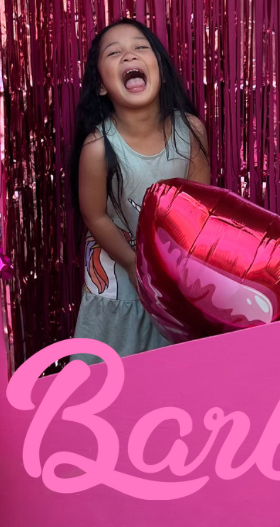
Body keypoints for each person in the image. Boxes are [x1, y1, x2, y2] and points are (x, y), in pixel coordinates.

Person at [70, 18, 210, 356]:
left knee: (173, 365)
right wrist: (134, 264)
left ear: (159, 69)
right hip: (119, 276)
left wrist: (177, 268)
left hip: (174, 271)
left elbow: (199, 206)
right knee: (114, 364)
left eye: (140, 47)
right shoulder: (98, 147)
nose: (128, 55)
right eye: (114, 52)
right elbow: (96, 216)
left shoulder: (190, 131)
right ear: (102, 86)